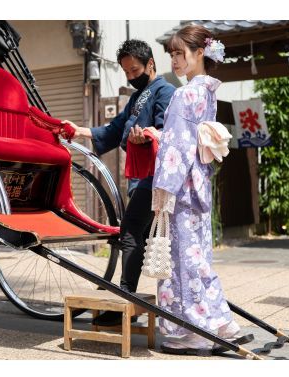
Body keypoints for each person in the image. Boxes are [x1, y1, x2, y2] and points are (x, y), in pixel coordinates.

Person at [150, 25, 253, 355]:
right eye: (172, 54)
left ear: (199, 54)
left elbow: (176, 145)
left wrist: (163, 190)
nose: (176, 60)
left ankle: (192, 332)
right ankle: (223, 322)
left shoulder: (184, 94)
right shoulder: (207, 92)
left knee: (183, 262)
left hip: (180, 187)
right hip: (199, 185)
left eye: (181, 53)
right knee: (199, 258)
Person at [65, 39, 175, 326]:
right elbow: (114, 130)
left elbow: (169, 134)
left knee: (130, 234)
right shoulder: (138, 97)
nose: (130, 76)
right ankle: (128, 302)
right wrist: (81, 131)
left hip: (156, 178)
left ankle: (125, 302)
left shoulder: (165, 92)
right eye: (126, 72)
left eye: (134, 69)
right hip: (142, 178)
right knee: (136, 237)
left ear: (151, 63)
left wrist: (148, 135)